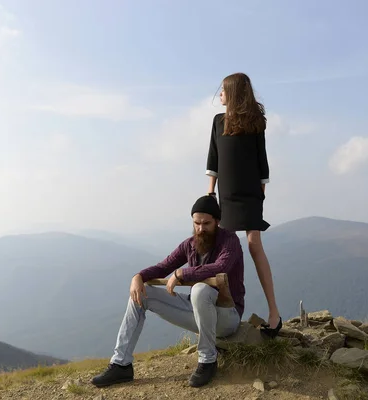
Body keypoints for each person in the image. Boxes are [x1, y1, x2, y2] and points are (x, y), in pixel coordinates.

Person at [91, 195, 245, 389]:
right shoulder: (190, 244)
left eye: (206, 223)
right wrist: (138, 276)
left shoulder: (230, 241)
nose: (200, 228)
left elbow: (220, 266)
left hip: (227, 316)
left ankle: (207, 360)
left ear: (217, 221)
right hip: (198, 312)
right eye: (196, 223)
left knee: (200, 289)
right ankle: (121, 364)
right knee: (143, 293)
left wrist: (182, 273)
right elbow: (163, 267)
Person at [205, 72, 282, 337]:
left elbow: (262, 160)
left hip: (250, 194)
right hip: (225, 195)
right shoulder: (217, 122)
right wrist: (210, 193)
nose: (220, 95)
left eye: (223, 90)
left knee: (253, 244)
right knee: (226, 248)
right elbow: (213, 159)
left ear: (234, 93)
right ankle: (223, 311)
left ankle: (274, 313)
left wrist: (260, 193)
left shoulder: (255, 122)